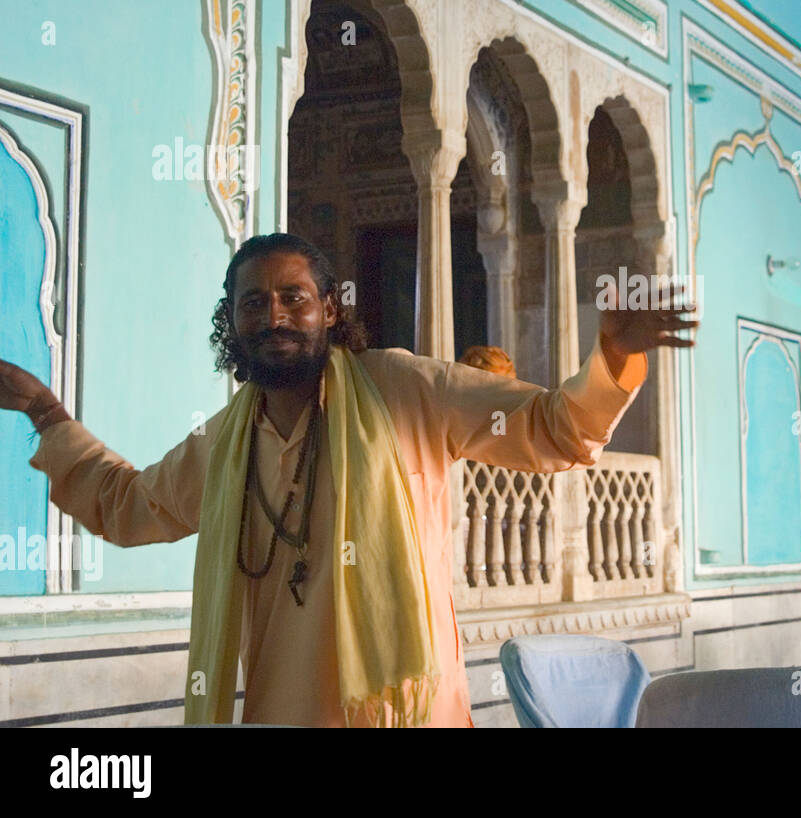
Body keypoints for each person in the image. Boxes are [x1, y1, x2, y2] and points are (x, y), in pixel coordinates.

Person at [0, 233, 697, 727]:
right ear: (232, 321)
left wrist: (612, 358)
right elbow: (126, 506)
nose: (274, 316)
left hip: (408, 716)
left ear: (329, 310)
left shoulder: (403, 389)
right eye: (252, 303)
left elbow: (554, 428)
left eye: (293, 297)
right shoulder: (223, 445)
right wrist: (45, 411)